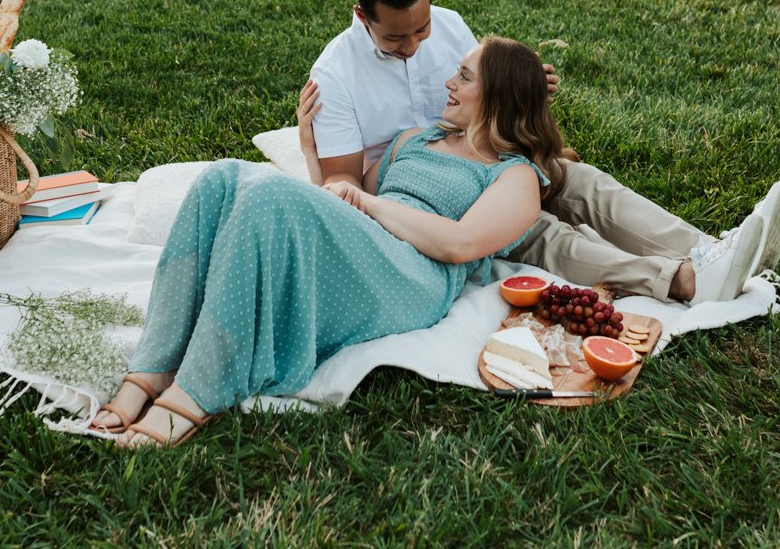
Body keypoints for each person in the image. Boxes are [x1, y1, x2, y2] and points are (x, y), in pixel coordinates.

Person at [94, 37, 687, 448]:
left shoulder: (514, 176)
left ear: (498, 96)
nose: (448, 82)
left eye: (463, 76)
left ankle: (196, 393)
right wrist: (309, 148)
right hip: (367, 246)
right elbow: (334, 203)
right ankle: (151, 369)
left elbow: (458, 245)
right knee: (223, 176)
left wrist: (371, 204)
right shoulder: (416, 138)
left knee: (270, 196)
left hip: (414, 273)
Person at [307, 0, 780, 305]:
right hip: (432, 193)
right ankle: (682, 280)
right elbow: (344, 186)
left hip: (487, 148)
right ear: (362, 17)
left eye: (422, 29)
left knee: (583, 183)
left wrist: (520, 89)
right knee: (539, 232)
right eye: (396, 37)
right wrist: (313, 153)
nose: (414, 45)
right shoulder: (335, 75)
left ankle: (711, 251)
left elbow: (485, 85)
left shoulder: (450, 24)